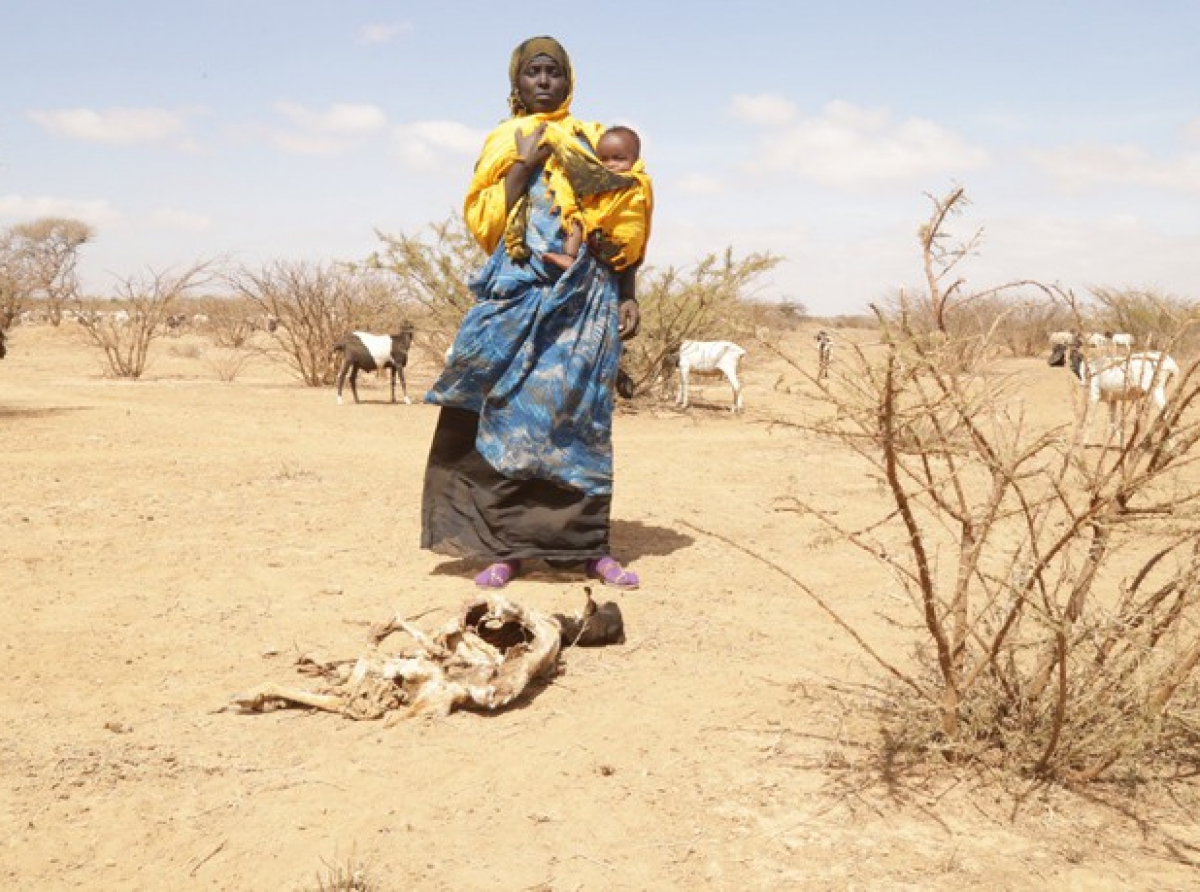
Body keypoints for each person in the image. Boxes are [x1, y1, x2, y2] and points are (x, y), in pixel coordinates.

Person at [420, 35, 651, 591]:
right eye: (533, 73)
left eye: (553, 73)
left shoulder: (597, 139)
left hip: (586, 299)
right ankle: (508, 550)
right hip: (518, 295)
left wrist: (628, 290)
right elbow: (486, 225)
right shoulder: (504, 139)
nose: (544, 82)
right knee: (502, 414)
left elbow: (625, 213)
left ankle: (588, 548)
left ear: (569, 80)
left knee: (579, 419)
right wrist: (524, 167)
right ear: (516, 84)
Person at [543, 125, 647, 270]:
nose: (611, 164)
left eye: (619, 159)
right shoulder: (639, 181)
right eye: (603, 160)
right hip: (623, 249)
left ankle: (569, 256)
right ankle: (626, 289)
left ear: (636, 160)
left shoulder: (631, 179)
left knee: (576, 218)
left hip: (617, 241)